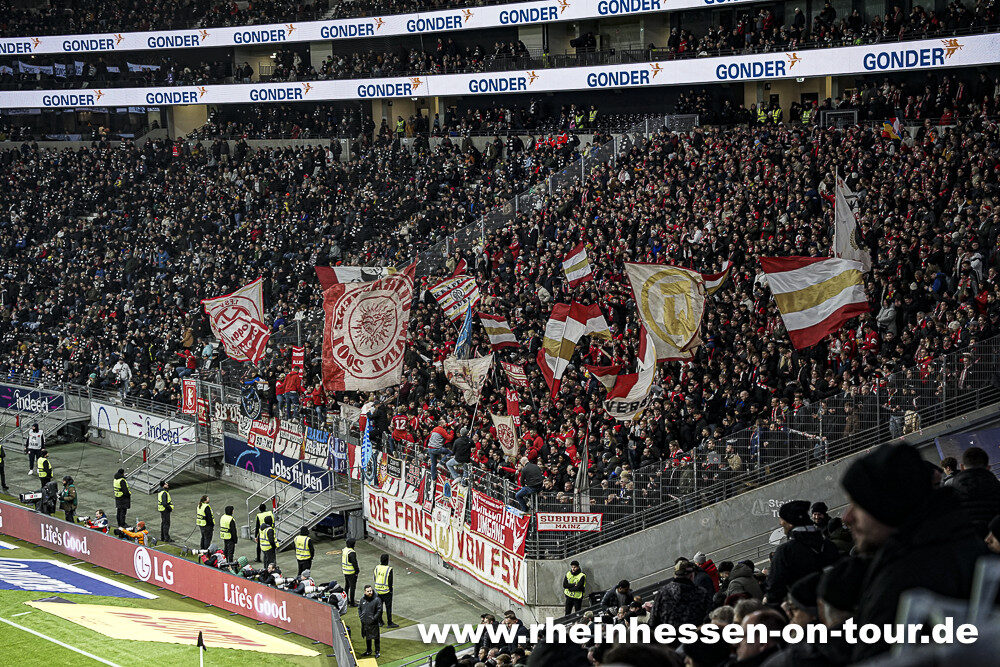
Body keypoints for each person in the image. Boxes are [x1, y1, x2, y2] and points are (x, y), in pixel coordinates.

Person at [842, 442, 988, 661]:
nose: (847, 518)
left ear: (887, 505)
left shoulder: (905, 579)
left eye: (858, 505)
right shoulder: (961, 543)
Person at [763, 500, 839, 604]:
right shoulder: (829, 545)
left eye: (782, 519)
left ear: (789, 523)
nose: (780, 522)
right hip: (832, 605)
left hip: (803, 610)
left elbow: (774, 590)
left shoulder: (785, 551)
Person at [950, 446, 1000, 539]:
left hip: (968, 544)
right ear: (988, 468)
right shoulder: (997, 487)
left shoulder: (951, 494)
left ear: (962, 467)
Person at [649, 559, 711, 629]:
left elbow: (652, 621)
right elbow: (709, 619)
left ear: (675, 575)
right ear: (691, 575)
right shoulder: (701, 593)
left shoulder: (663, 592)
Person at [373, 554, 398, 628]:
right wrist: (390, 591)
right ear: (387, 560)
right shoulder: (389, 569)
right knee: (388, 607)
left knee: (379, 607)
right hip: (386, 591)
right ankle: (389, 622)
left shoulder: (377, 568)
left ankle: (380, 621)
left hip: (378, 590)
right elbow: (390, 581)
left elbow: (375, 577)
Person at [358, 584, 383, 658]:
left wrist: (374, 618)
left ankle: (377, 651)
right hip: (365, 622)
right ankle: (368, 651)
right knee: (367, 637)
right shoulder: (362, 599)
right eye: (368, 591)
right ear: (365, 592)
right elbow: (359, 608)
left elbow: (379, 610)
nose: (370, 592)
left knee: (376, 638)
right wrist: (361, 617)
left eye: (371, 590)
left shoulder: (377, 599)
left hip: (373, 623)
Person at [342, 538, 359, 606]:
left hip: (345, 571)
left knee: (347, 586)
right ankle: (352, 602)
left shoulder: (345, 550)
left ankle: (346, 600)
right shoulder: (351, 552)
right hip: (351, 572)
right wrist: (357, 571)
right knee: (352, 587)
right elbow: (354, 563)